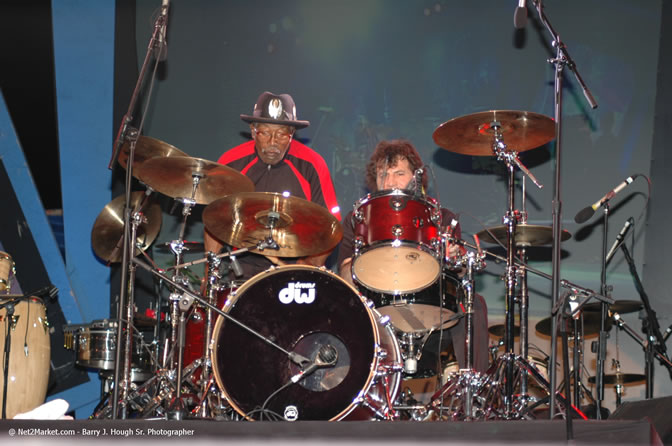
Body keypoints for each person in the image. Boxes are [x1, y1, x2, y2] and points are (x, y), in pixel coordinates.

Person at [337, 139, 489, 373]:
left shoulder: (442, 217)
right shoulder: (357, 218)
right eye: (382, 174)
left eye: (399, 173)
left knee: (474, 304)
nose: (389, 181)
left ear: (415, 178)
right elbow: (345, 275)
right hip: (377, 306)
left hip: (431, 308)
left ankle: (474, 390)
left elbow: (459, 276)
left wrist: (453, 257)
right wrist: (359, 264)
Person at [204, 91, 341, 278]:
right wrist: (209, 274)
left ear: (292, 134)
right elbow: (215, 221)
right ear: (253, 131)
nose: (273, 142)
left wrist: (308, 265)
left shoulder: (312, 165)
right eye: (265, 133)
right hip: (241, 265)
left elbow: (331, 226)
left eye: (281, 134)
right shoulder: (231, 163)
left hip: (294, 266)